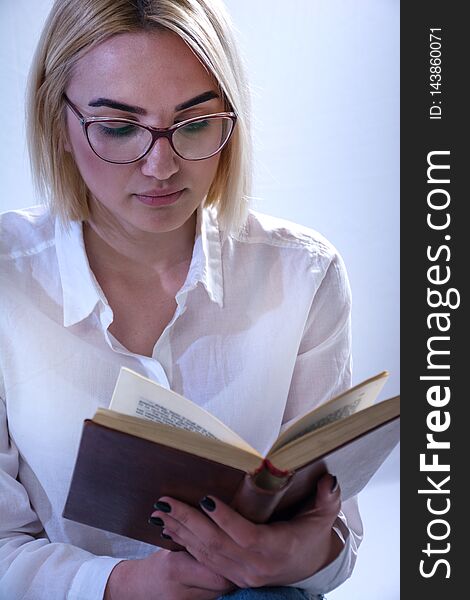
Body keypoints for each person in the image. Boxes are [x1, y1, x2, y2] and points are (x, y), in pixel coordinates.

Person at [0, 0, 362, 598]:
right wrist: (122, 583)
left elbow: (337, 527)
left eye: (194, 124)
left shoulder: (304, 273)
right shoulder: (9, 281)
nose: (161, 166)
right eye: (118, 127)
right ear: (55, 123)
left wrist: (303, 554)